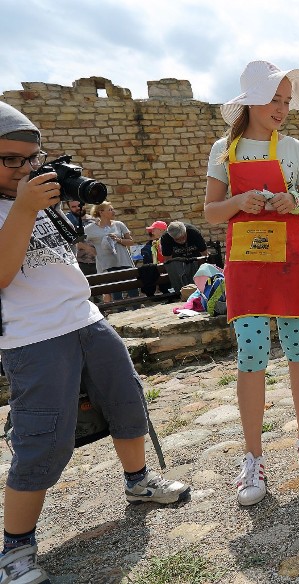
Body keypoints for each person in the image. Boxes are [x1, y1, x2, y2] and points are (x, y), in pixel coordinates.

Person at [0, 102, 189, 583]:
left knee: (127, 403)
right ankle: (15, 549)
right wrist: (23, 207)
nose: (25, 169)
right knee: (42, 439)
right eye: (11, 160)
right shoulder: (21, 202)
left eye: (32, 158)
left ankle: (139, 483)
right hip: (33, 336)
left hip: (85, 318)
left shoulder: (40, 195)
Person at [204, 60, 299, 506]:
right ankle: (253, 457)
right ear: (251, 100)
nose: (281, 108)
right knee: (251, 353)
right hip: (246, 262)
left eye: (286, 101)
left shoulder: (293, 148)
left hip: (290, 259)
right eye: (274, 99)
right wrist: (239, 200)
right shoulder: (223, 149)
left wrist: (290, 200)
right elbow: (211, 212)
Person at [84, 201, 136, 302]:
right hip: (107, 264)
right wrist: (91, 250)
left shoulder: (119, 225)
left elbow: (131, 241)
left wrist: (119, 240)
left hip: (123, 261)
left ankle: (137, 308)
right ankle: (120, 312)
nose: (114, 212)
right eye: (110, 210)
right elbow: (78, 242)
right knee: (116, 292)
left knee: (132, 288)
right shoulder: (90, 229)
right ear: (101, 212)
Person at [65, 199, 97, 276]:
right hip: (79, 263)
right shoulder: (67, 223)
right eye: (73, 207)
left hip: (97, 262)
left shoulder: (95, 220)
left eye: (79, 206)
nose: (78, 208)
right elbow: (68, 240)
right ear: (69, 208)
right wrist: (88, 248)